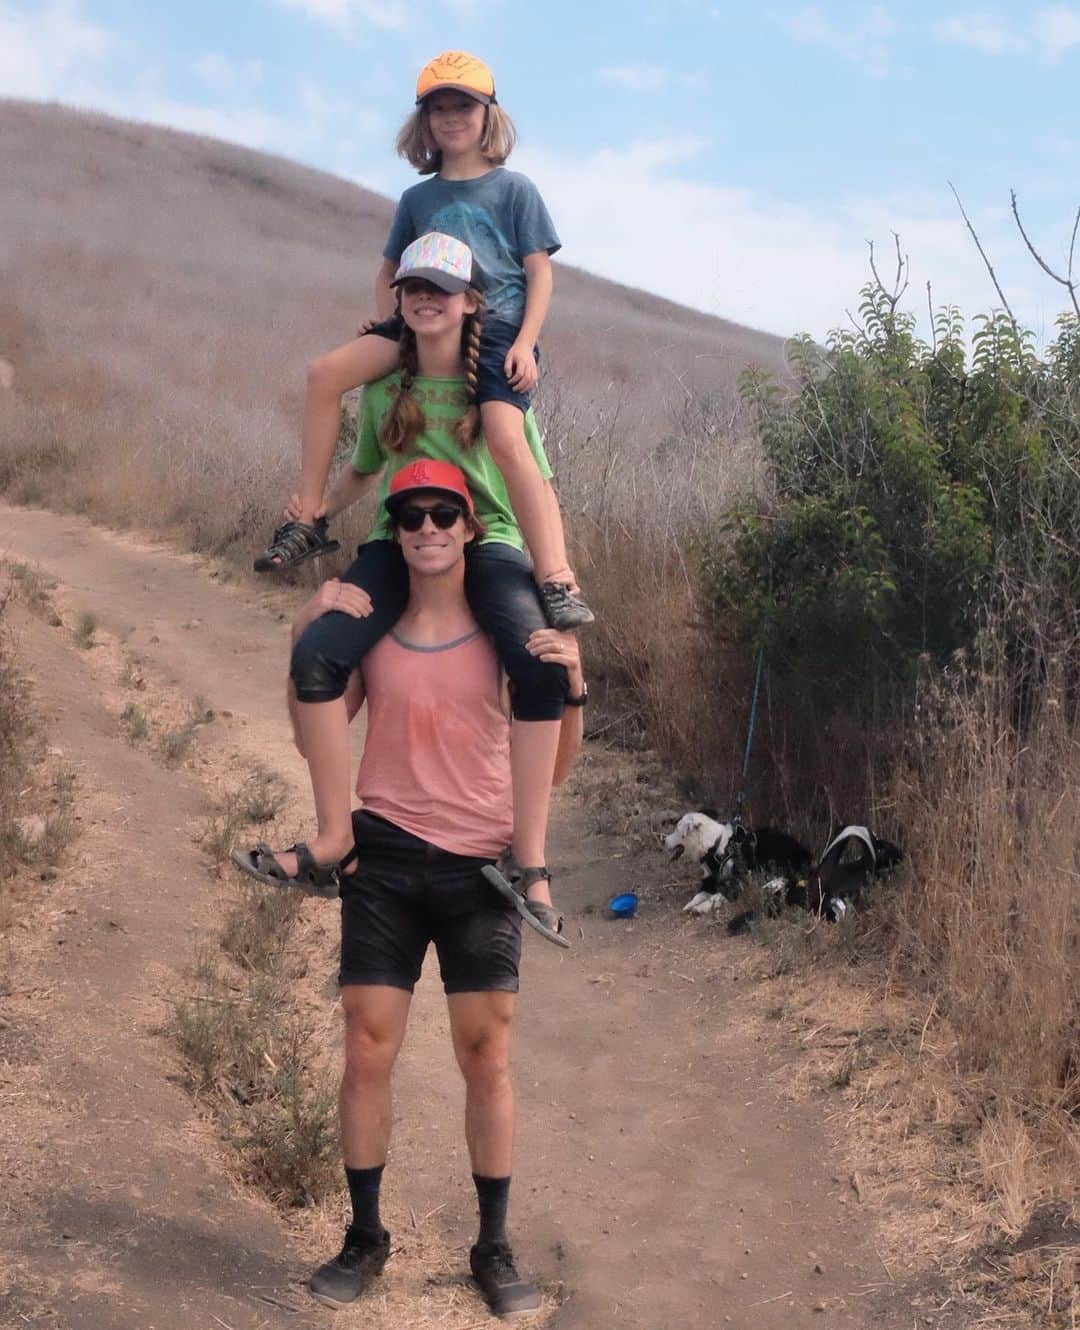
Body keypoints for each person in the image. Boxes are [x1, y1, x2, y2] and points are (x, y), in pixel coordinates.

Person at [293, 460, 585, 1316]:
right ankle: (365, 1237)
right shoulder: (372, 632)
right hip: (382, 860)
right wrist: (310, 627)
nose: (426, 529)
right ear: (394, 531)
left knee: (485, 1056)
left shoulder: (508, 636)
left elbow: (557, 766)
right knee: (367, 1047)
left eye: (442, 514)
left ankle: (493, 1249)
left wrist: (573, 686)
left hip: (480, 868)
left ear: (468, 527)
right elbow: (313, 733)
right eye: (410, 516)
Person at [235, 235, 581, 942]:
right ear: (399, 299)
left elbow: (538, 484)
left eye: (441, 290)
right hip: (402, 539)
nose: (425, 298)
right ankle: (334, 842)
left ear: (470, 302)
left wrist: (559, 577)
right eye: (414, 287)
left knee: (543, 667)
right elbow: (365, 468)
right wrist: (320, 514)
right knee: (320, 654)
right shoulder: (385, 383)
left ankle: (530, 860)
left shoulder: (497, 386)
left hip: (492, 541)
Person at [253, 49, 593, 632]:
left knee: (509, 442)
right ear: (424, 120)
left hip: (496, 330)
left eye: (464, 105)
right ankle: (308, 517)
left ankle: (557, 578)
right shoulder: (418, 199)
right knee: (324, 374)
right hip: (423, 323)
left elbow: (540, 272)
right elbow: (388, 271)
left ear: (489, 114)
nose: (451, 117)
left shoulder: (515, 190)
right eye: (438, 108)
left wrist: (526, 343)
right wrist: (390, 323)